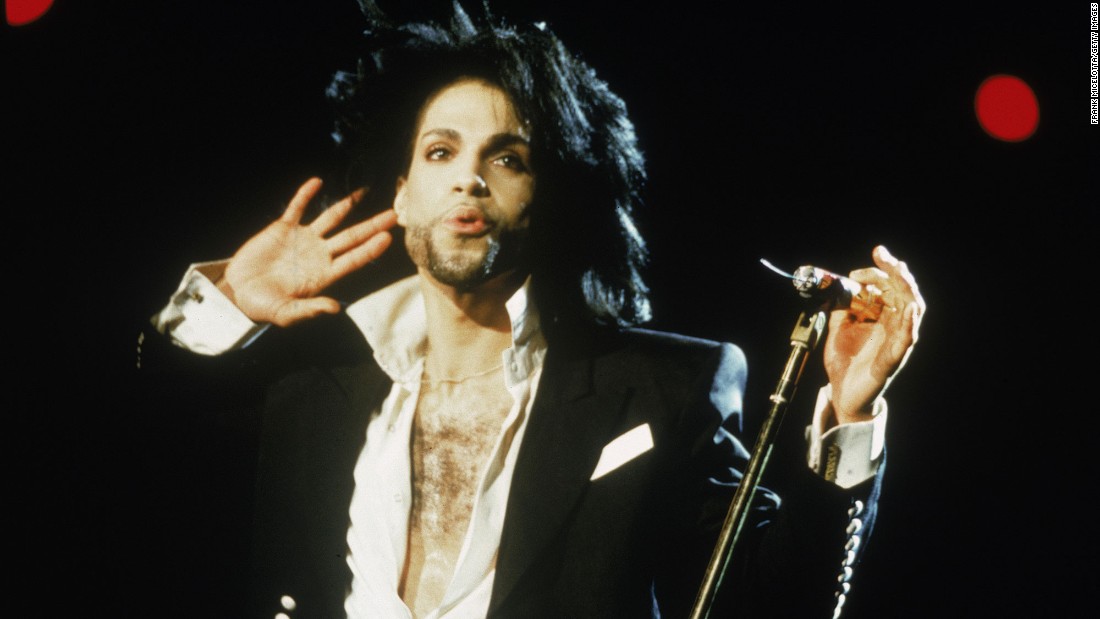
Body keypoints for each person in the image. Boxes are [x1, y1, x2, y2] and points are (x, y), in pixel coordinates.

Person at [137, 2, 924, 617]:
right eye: (440, 151)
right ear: (403, 192)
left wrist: (851, 413)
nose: (469, 178)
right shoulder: (310, 379)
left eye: (507, 157)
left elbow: (771, 601)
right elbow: (110, 465)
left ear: (548, 195)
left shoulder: (660, 386)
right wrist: (227, 307)